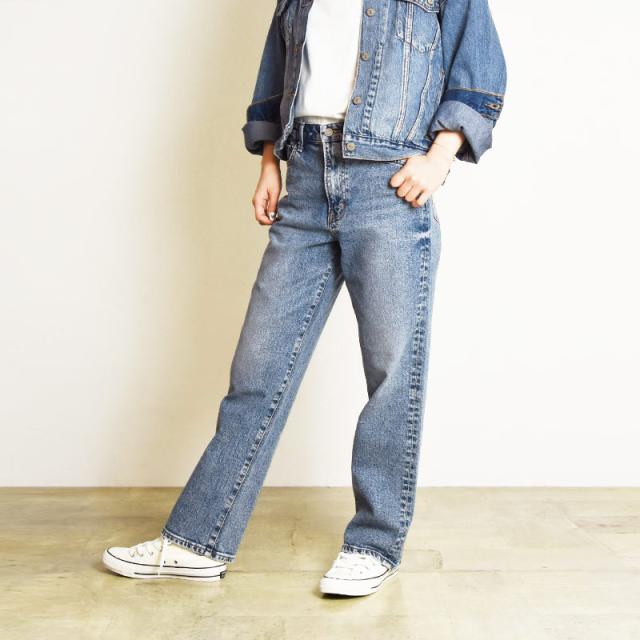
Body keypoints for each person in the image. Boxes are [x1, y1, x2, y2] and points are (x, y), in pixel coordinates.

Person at [102, 0, 507, 596]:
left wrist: (439, 159)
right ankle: (198, 541)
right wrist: (270, 161)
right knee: (258, 371)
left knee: (392, 375)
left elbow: (480, 68)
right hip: (306, 179)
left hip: (389, 185)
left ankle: (374, 544)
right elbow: (279, 70)